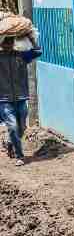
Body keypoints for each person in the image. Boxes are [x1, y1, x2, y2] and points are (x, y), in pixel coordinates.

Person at [0, 35, 42, 166]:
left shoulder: (21, 55)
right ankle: (20, 156)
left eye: (10, 41)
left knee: (22, 127)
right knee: (12, 126)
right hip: (4, 99)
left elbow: (37, 52)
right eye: (5, 42)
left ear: (13, 42)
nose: (7, 44)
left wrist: (31, 38)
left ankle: (10, 142)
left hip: (21, 97)